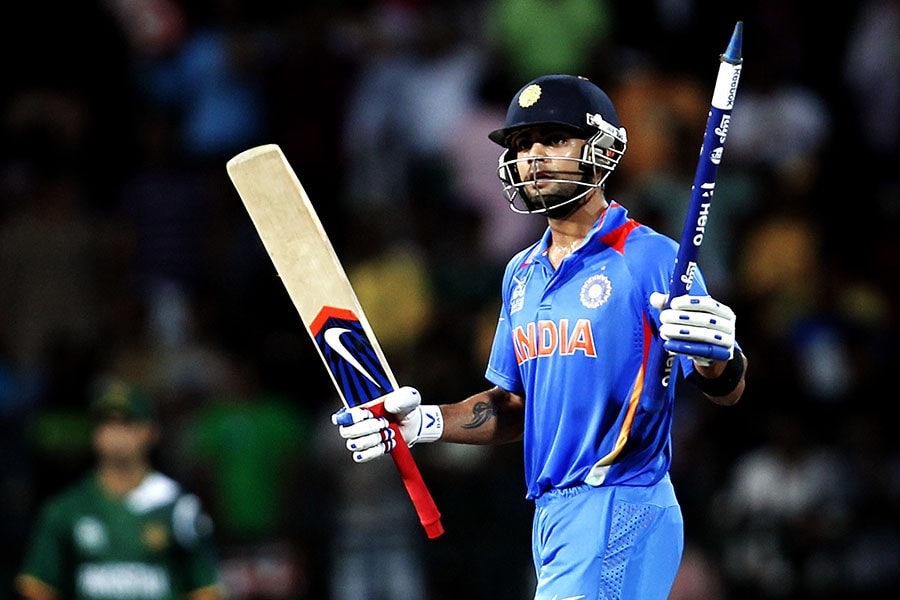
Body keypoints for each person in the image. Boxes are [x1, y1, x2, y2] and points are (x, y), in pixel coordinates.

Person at [332, 73, 748, 600]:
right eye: (522, 144)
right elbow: (513, 407)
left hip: (619, 500)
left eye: (553, 139)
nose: (533, 156)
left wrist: (719, 353)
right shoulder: (520, 274)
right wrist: (423, 422)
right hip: (551, 515)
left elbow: (726, 388)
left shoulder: (652, 257)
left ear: (602, 146)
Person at [15, 377, 225, 600]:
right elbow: (35, 586)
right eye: (106, 424)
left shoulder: (177, 507)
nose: (116, 434)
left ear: (150, 432)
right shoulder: (66, 509)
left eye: (126, 423)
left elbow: (206, 589)